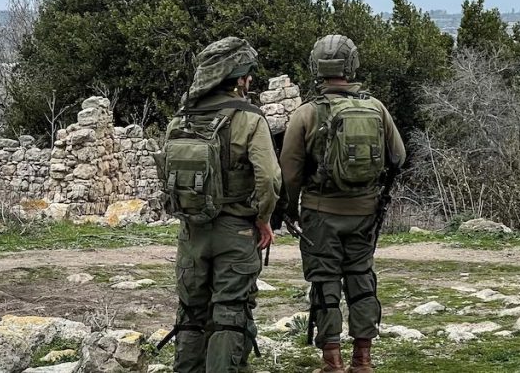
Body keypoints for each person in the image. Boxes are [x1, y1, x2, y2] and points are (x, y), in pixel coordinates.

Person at [279, 34, 406, 373]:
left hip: (320, 213)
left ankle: (332, 360)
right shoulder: (375, 108)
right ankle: (363, 360)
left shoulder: (305, 114)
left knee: (325, 283)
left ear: (315, 68)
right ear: (351, 66)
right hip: (365, 212)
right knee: (361, 280)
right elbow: (399, 155)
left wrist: (289, 211)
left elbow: (289, 174)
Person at [156, 37, 281, 373]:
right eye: (248, 75)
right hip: (236, 231)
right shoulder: (250, 119)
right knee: (229, 312)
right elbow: (269, 178)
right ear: (239, 79)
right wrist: (264, 219)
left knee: (191, 311)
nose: (250, 80)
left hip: (192, 233)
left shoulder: (181, 119)